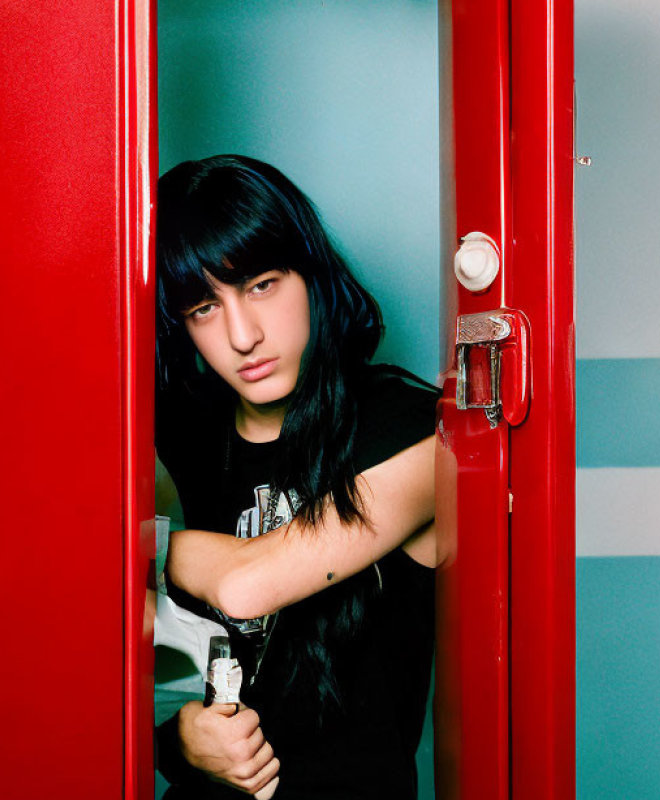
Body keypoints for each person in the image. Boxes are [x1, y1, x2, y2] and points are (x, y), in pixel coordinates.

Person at [154, 154, 440, 800]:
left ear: (310, 275)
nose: (242, 334)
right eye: (203, 307)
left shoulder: (418, 433)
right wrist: (179, 742)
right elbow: (137, 658)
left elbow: (248, 587)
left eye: (261, 284)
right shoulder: (178, 440)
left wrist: (140, 543)